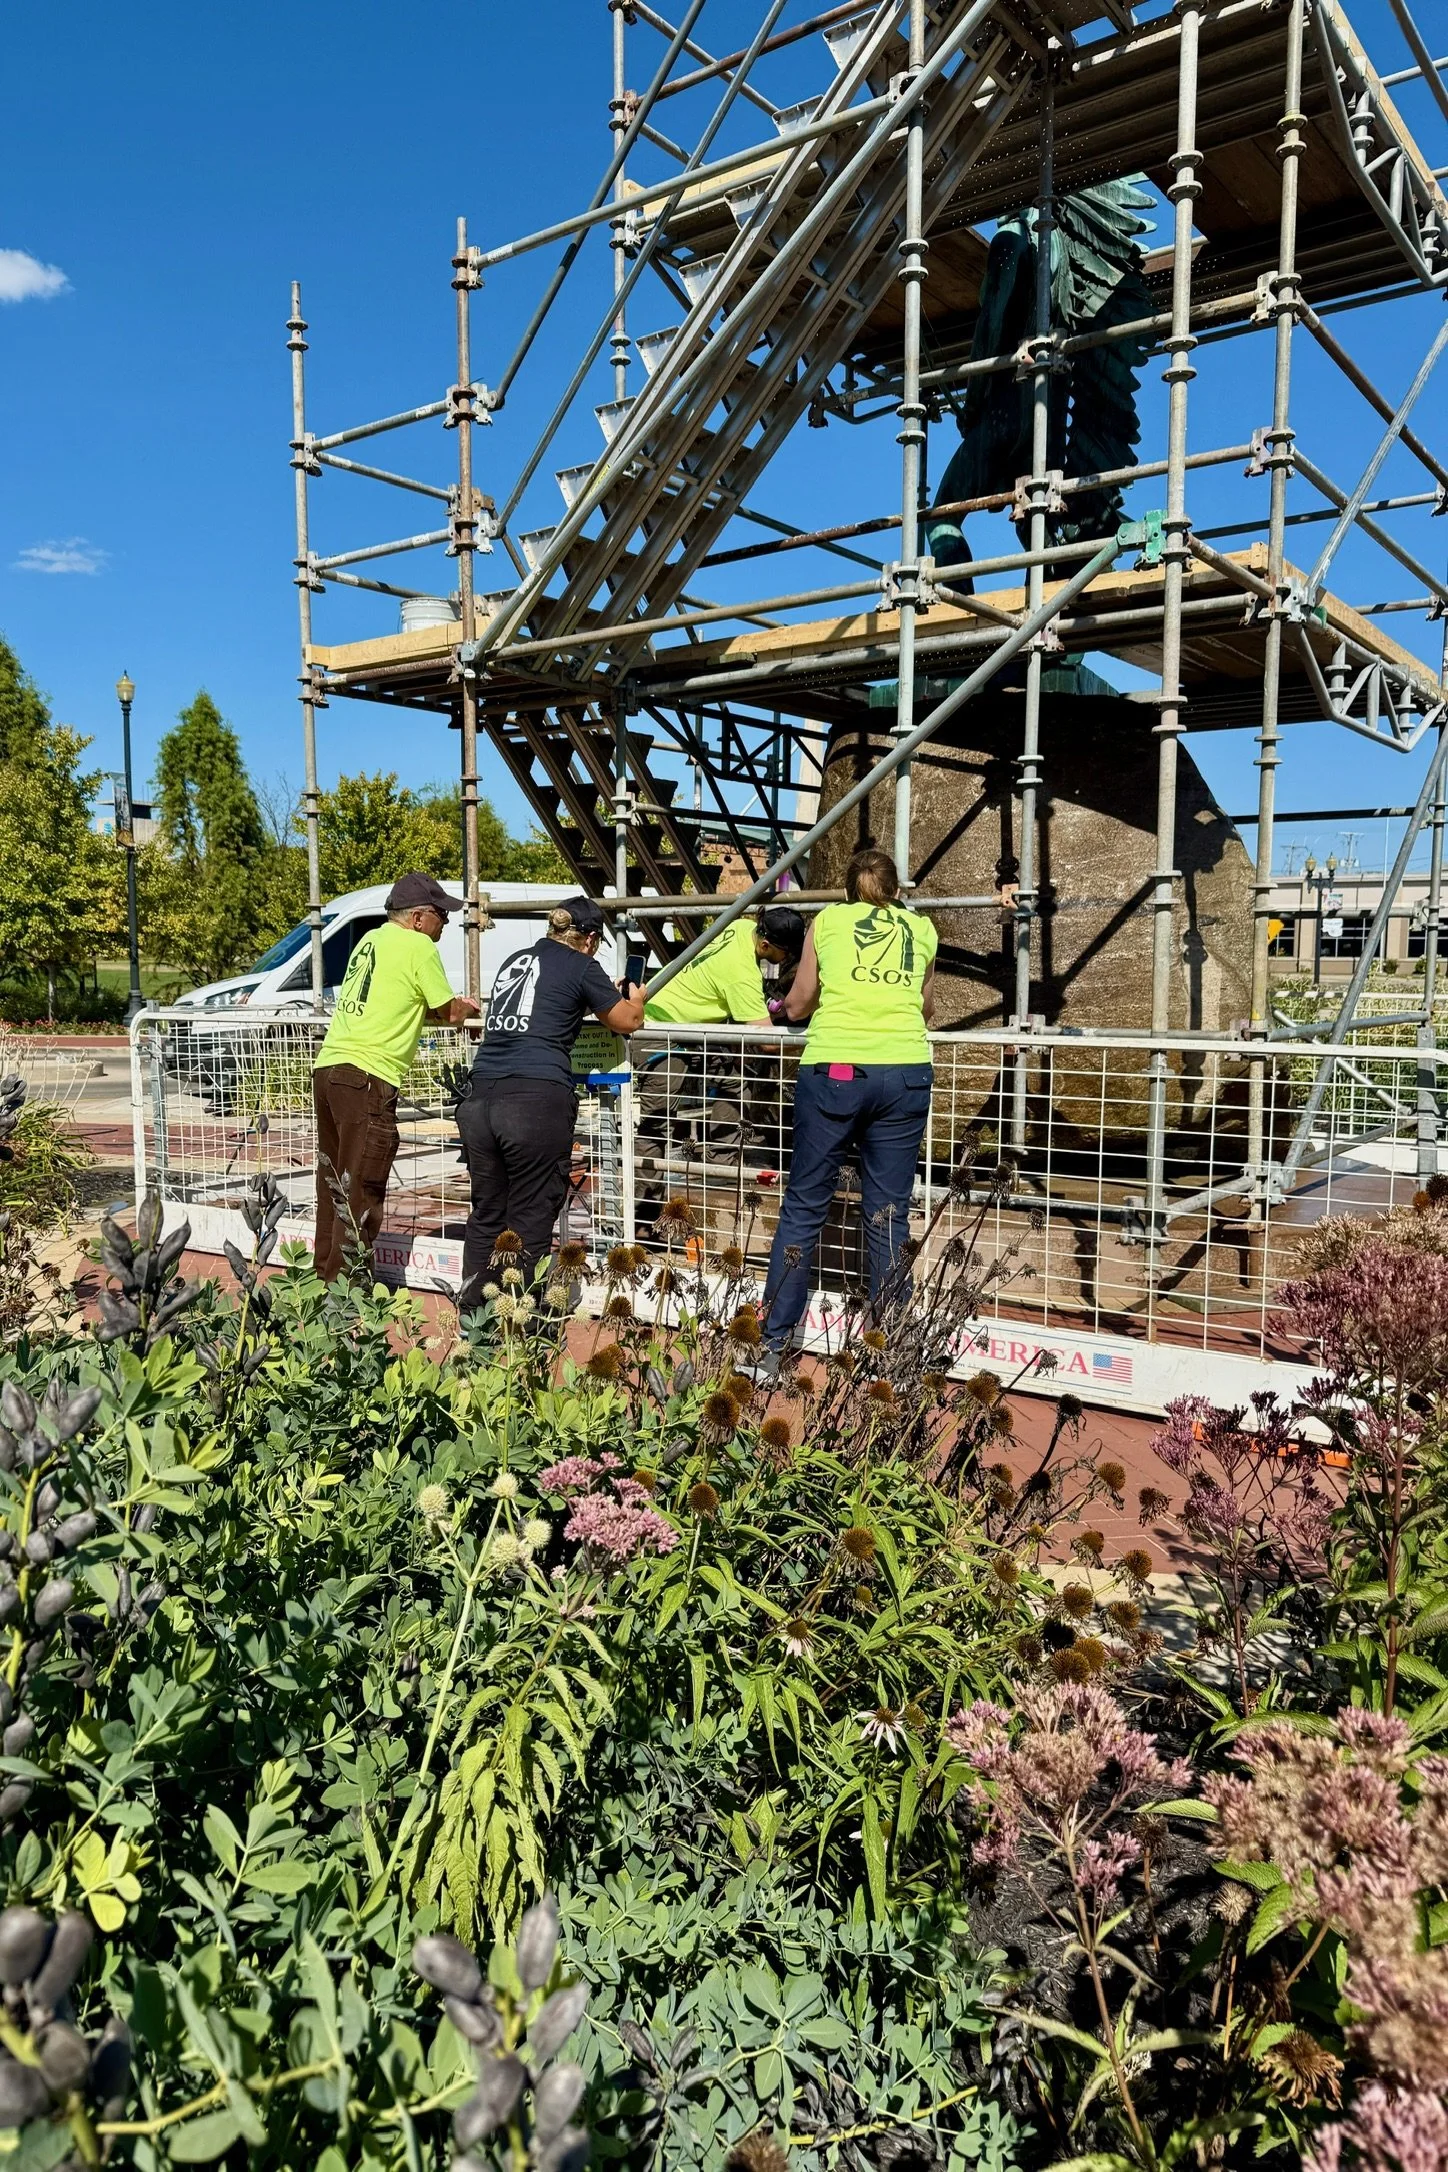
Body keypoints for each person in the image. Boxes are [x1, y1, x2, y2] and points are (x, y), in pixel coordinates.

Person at [756, 848, 937, 1367]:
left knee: (804, 1206)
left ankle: (773, 1346)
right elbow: (925, 1008)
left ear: (846, 888)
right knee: (888, 1214)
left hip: (835, 1070)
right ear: (896, 890)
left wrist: (778, 1011)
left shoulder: (829, 921)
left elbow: (800, 1002)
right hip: (905, 1071)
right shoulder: (922, 929)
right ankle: (891, 1350)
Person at [457, 895, 645, 1304]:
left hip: (481, 1093)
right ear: (590, 939)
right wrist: (637, 998)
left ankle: (474, 1316)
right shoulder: (582, 965)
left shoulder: (515, 959)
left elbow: (544, 1003)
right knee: (530, 1216)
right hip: (535, 1099)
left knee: (488, 1213)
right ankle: (519, 1321)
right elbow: (626, 1020)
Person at [311, 872, 480, 1281]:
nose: (445, 922)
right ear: (418, 918)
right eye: (441, 914)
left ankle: (318, 1284)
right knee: (361, 1189)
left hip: (329, 1068)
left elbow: (400, 1000)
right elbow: (447, 1011)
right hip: (368, 1076)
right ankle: (347, 1294)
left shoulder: (370, 940)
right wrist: (469, 1008)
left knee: (332, 1184)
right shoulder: (418, 946)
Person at [637, 905, 806, 1149]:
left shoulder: (742, 927)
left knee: (736, 1084)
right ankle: (644, 1174)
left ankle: (721, 1162)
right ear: (765, 945)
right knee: (658, 1120)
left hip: (686, 1026)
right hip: (658, 1028)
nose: (789, 957)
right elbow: (769, 1042)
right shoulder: (742, 975)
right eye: (786, 952)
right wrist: (808, 1040)